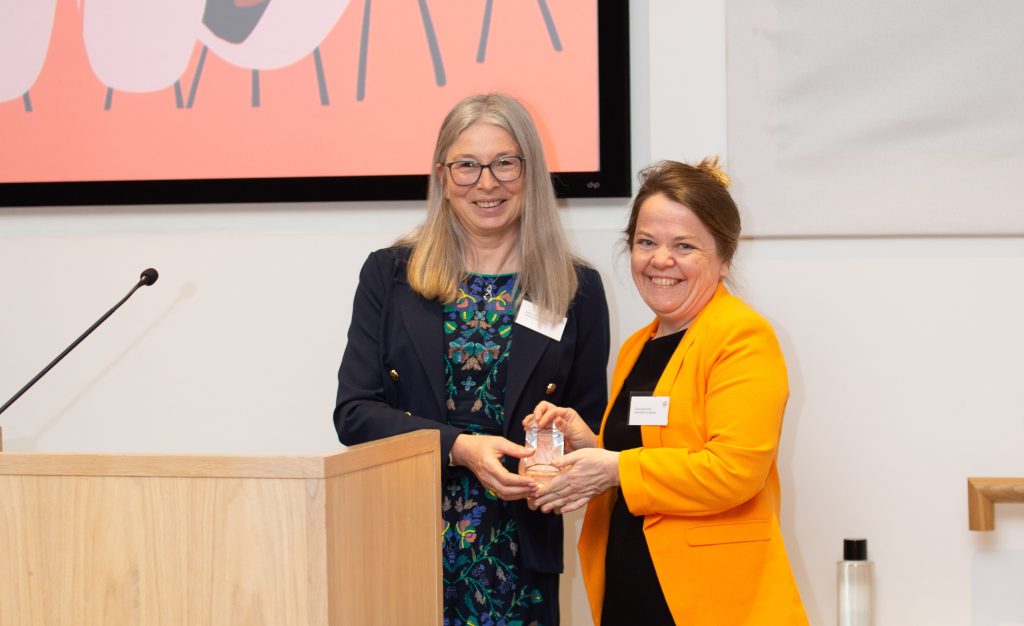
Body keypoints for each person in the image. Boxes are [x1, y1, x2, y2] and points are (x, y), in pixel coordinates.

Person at [333, 93, 611, 626]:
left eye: (505, 162)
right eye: (467, 165)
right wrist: (461, 448)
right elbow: (354, 414)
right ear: (442, 176)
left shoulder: (577, 288)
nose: (486, 183)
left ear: (531, 173)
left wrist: (564, 464)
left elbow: (587, 427)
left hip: (520, 556)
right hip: (404, 544)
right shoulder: (389, 275)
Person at [525, 159, 809, 625]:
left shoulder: (742, 337)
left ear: (724, 257)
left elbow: (733, 471)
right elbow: (654, 453)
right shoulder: (640, 345)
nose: (660, 260)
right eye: (646, 242)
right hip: (631, 588)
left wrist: (613, 467)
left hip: (711, 602)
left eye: (684, 246)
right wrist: (589, 446)